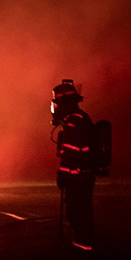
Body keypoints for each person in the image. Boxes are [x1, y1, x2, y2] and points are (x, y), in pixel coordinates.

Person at [51, 79, 96, 250]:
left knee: (78, 209)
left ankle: (83, 243)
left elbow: (71, 152)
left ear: (65, 103)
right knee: (80, 208)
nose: (56, 108)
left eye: (58, 104)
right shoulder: (79, 118)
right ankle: (82, 241)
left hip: (78, 176)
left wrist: (63, 174)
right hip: (82, 174)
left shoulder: (73, 122)